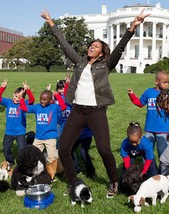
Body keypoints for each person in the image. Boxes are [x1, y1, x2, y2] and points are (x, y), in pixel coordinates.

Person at [40, 9, 150, 198]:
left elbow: (120, 47)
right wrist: (51, 22)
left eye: (96, 46)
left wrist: (132, 26)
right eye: (91, 44)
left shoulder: (106, 64)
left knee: (104, 149)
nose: (92, 47)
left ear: (102, 52)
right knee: (64, 148)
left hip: (96, 111)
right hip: (77, 110)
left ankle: (114, 181)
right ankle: (74, 181)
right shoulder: (80, 62)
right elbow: (64, 45)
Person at [128, 70, 169, 160]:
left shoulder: (168, 94)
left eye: (168, 83)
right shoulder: (149, 92)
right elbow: (140, 103)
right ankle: (149, 172)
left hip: (163, 129)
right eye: (165, 82)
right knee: (147, 152)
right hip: (149, 129)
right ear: (157, 82)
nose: (167, 85)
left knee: (163, 154)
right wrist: (132, 95)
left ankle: (164, 173)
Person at [19, 89, 66, 167]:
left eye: (45, 99)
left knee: (51, 157)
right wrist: (21, 99)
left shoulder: (54, 107)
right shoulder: (37, 107)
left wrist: (57, 96)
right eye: (41, 99)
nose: (42, 101)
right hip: (39, 137)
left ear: (50, 100)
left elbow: (63, 106)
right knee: (32, 155)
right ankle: (33, 171)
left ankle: (51, 174)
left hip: (50, 137)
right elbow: (24, 108)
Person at [0, 79, 35, 165]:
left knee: (21, 149)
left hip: (20, 131)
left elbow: (32, 100)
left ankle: (22, 163)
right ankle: (10, 162)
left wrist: (28, 90)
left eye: (19, 97)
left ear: (23, 98)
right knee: (6, 149)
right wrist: (2, 88)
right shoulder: (8, 102)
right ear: (13, 94)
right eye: (16, 96)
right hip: (9, 131)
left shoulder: (24, 103)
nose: (17, 99)